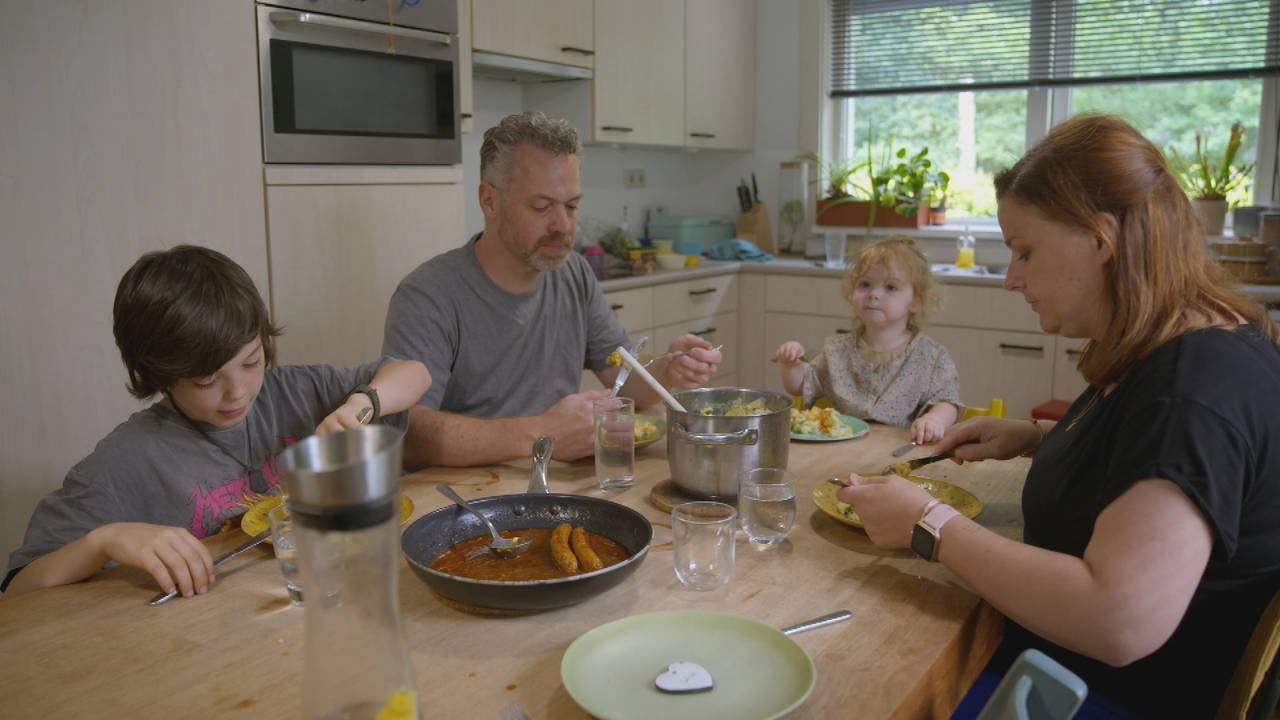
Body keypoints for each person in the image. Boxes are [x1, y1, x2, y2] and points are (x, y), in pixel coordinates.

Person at [836, 115, 1280, 718]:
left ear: (1101, 239)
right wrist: (1038, 438)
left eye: (1024, 250)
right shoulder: (1186, 340)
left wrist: (928, 524)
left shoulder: (1192, 389)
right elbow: (1157, 465)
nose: (1012, 278)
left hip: (1094, 694)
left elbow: (1117, 619)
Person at [3, 246, 431, 599]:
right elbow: (19, 588)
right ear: (156, 375)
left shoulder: (292, 392)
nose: (238, 392)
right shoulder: (125, 462)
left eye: (251, 362)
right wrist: (105, 540)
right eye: (207, 380)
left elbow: (414, 373)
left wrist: (362, 406)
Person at [382, 111, 721, 468]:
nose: (562, 225)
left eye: (572, 206)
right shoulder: (428, 295)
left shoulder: (572, 271)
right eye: (541, 207)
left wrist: (668, 370)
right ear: (489, 201)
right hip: (468, 500)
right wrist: (542, 433)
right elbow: (409, 434)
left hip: (555, 481)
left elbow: (621, 377)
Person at [774, 235, 961, 443]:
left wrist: (935, 419)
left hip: (897, 453)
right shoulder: (837, 350)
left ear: (915, 301)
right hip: (842, 450)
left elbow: (947, 402)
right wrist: (790, 365)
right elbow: (799, 385)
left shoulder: (933, 357)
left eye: (890, 287)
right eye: (865, 284)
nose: (874, 294)